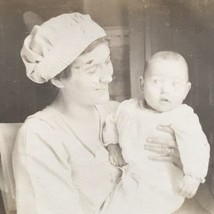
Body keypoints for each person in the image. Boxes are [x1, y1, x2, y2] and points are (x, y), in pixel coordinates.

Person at [12, 13, 204, 214]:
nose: (108, 76)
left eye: (107, 60)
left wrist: (177, 158)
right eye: (92, 68)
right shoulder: (40, 136)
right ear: (58, 79)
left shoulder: (117, 111)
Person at [102, 51, 210, 214]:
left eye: (175, 84)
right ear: (142, 84)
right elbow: (111, 122)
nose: (165, 90)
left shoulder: (182, 116)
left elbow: (197, 146)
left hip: (164, 185)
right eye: (156, 81)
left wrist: (193, 176)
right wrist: (112, 145)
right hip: (131, 180)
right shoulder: (127, 108)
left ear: (186, 90)